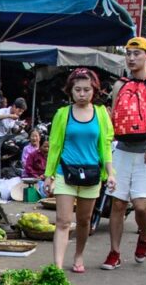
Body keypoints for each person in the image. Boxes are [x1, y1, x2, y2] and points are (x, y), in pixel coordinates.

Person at [101, 37, 146, 270]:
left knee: (141, 206)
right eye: (128, 54)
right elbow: (113, 121)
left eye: (137, 53)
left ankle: (144, 236)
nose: (131, 58)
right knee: (118, 204)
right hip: (121, 150)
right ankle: (114, 252)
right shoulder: (119, 84)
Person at [44, 68, 116, 273]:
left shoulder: (101, 114)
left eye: (86, 90)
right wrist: (49, 175)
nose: (82, 94)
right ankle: (57, 266)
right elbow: (55, 145)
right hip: (65, 172)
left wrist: (111, 173)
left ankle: (78, 255)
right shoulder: (62, 114)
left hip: (92, 174)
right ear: (70, 91)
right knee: (63, 221)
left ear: (94, 90)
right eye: (78, 90)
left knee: (84, 221)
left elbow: (106, 146)